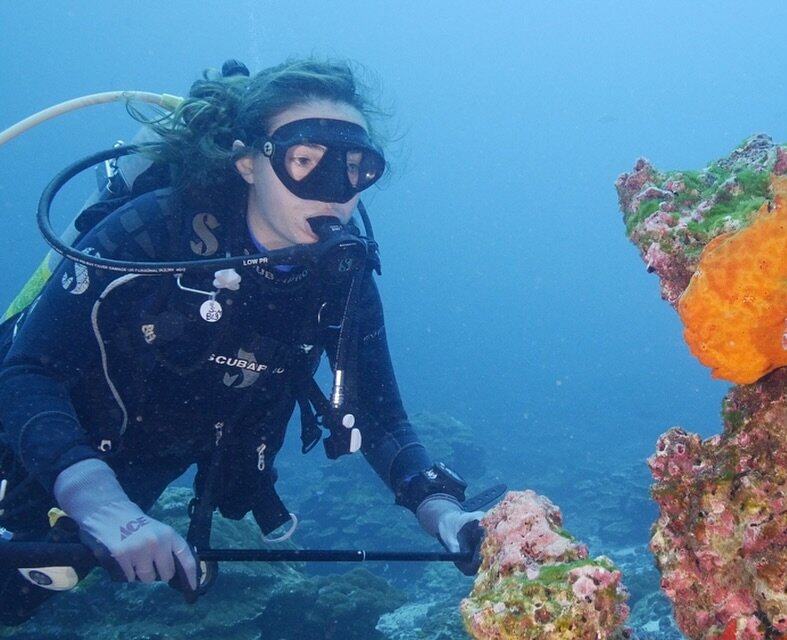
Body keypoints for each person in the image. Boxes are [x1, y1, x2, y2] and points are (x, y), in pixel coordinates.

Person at [0, 58, 485, 624]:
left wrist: (443, 511)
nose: (336, 192)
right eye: (306, 161)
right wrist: (96, 498)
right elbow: (28, 368)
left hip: (139, 473)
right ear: (249, 163)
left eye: (356, 168)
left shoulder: (341, 277)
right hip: (38, 434)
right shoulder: (154, 231)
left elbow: (377, 414)